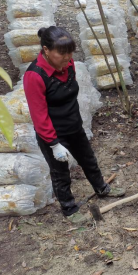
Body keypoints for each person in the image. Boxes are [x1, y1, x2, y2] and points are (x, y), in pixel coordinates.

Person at [23, 26, 125, 225]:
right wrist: (54, 144)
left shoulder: (69, 65)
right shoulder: (34, 76)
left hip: (74, 126)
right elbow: (39, 115)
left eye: (70, 52)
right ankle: (69, 208)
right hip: (53, 134)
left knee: (89, 159)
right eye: (62, 53)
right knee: (60, 172)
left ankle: (102, 188)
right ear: (45, 50)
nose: (67, 57)